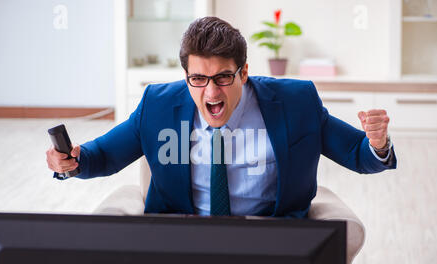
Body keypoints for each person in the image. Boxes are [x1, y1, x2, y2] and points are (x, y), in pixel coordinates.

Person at [46, 17, 397, 218]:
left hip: (271, 239)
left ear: (243, 72)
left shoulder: (296, 101)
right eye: (198, 79)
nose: (211, 93)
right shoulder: (157, 104)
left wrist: (377, 143)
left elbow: (357, 154)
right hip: (184, 235)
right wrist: (70, 161)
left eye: (223, 78)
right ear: (186, 76)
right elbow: (102, 156)